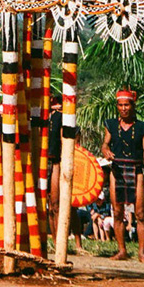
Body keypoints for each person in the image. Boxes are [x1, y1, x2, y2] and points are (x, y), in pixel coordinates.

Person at [101, 89, 144, 262]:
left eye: (127, 105)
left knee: (139, 213)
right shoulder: (110, 125)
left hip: (136, 170)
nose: (124, 108)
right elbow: (105, 145)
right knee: (117, 212)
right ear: (117, 106)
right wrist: (106, 151)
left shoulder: (142, 127)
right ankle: (122, 250)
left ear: (132, 106)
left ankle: (142, 252)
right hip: (117, 171)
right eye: (121, 105)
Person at [47, 95, 86, 253]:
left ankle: (76, 244)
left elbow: (71, 141)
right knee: (51, 206)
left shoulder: (62, 116)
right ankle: (56, 242)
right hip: (46, 162)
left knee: (67, 205)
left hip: (59, 162)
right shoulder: (36, 116)